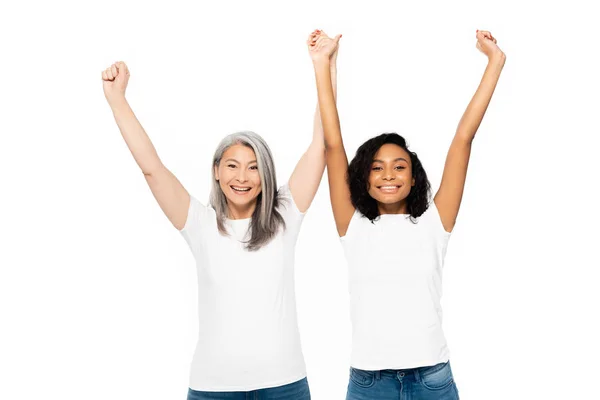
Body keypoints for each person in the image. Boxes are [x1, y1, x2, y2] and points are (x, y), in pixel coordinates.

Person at [100, 29, 338, 399]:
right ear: (216, 170)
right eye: (232, 166)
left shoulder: (285, 214)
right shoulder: (200, 223)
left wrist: (324, 66)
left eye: (253, 167)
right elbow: (153, 169)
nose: (242, 177)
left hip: (284, 385)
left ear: (265, 174)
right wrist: (117, 101)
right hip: (214, 388)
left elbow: (322, 146)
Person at [311, 29, 506, 399]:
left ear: (413, 178)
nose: (388, 175)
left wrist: (495, 62)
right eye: (377, 167)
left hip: (432, 380)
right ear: (363, 178)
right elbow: (333, 145)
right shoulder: (352, 227)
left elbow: (463, 137)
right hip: (370, 383)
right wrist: (323, 64)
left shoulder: (435, 222)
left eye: (399, 167)